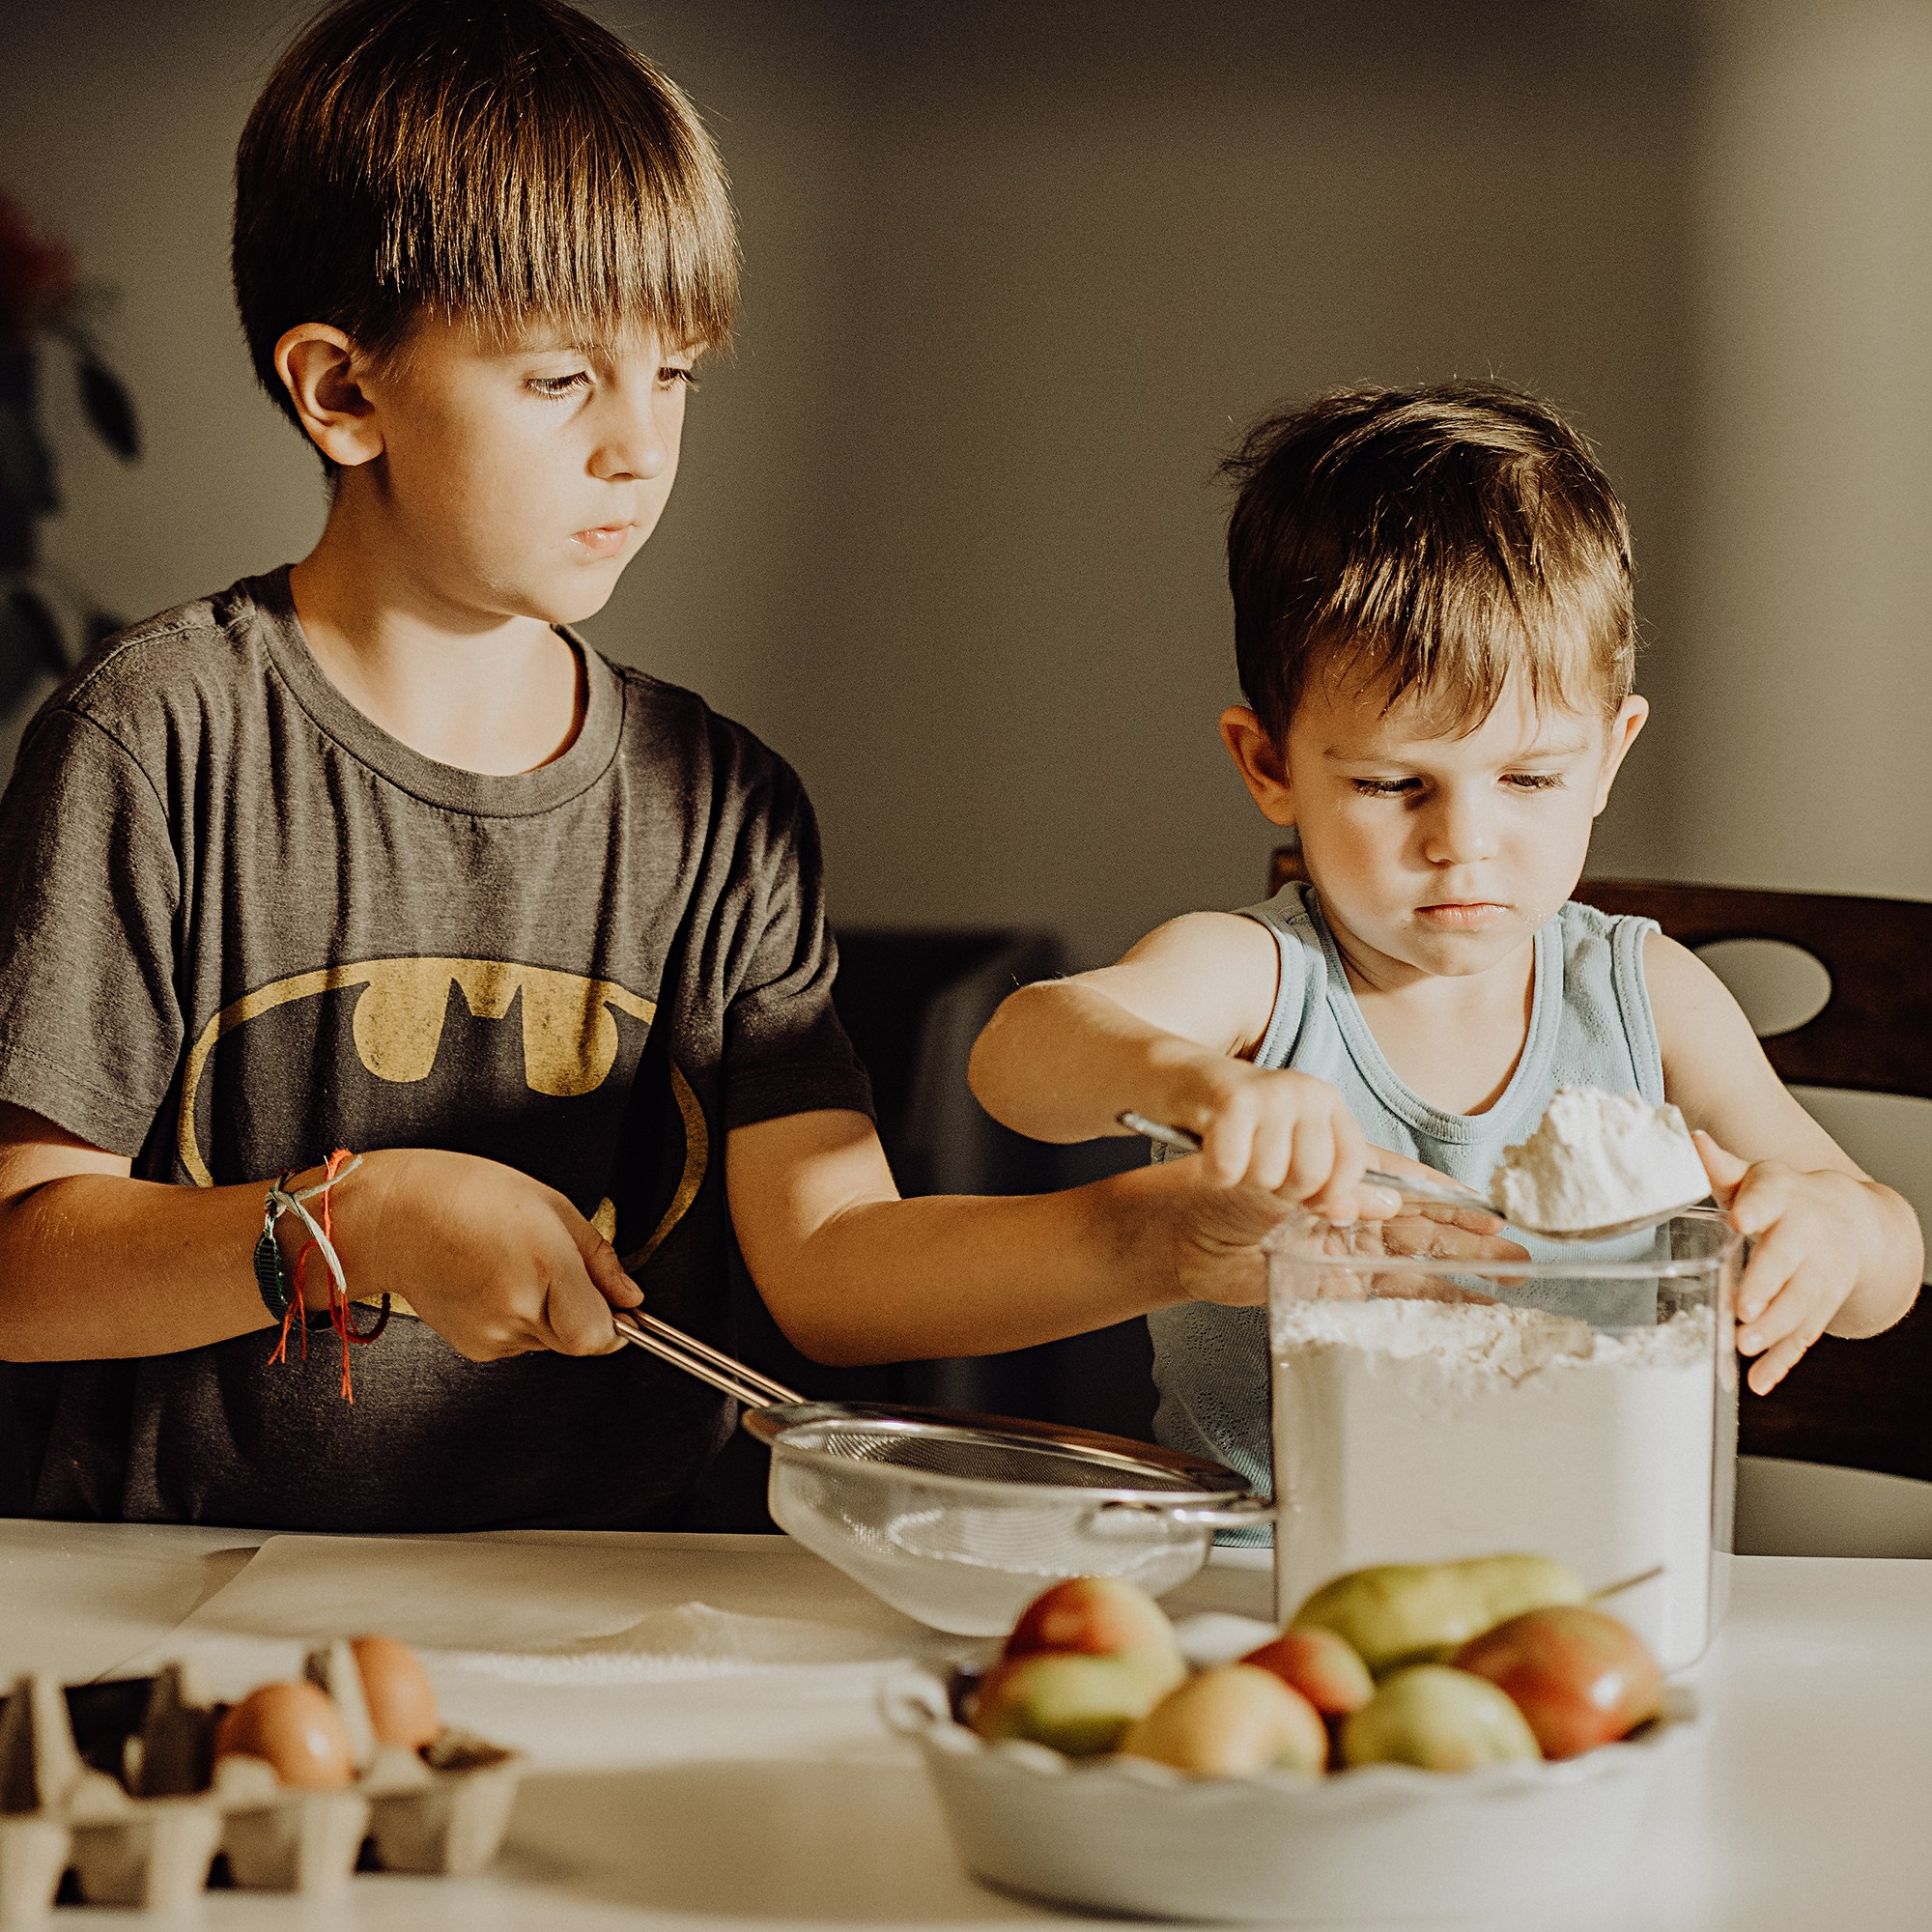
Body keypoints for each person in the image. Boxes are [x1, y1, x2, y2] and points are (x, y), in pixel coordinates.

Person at [0, 0, 1356, 1530]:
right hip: (189, 1603)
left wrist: (1156, 1237)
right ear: (343, 391)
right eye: (563, 380)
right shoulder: (159, 738)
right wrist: (352, 1223)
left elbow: (835, 1267)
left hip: (606, 1609)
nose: (640, 447)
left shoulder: (721, 808)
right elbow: (21, 1266)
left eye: (679, 374)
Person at [969, 382, 1922, 1495]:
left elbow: (1885, 1263)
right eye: (1388, 782)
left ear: (1608, 757)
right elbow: (1018, 1054)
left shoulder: (1643, 995)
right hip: (1255, 1571)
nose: (1461, 841)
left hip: (1580, 1570)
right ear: (1269, 763)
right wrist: (1192, 1084)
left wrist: (1832, 1230)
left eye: (1528, 777)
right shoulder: (1260, 980)